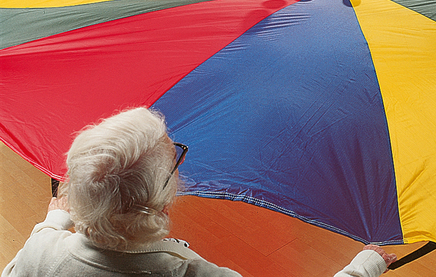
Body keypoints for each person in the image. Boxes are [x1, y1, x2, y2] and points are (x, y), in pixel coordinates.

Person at [1, 107, 397, 277]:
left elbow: (40, 252)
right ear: (159, 198)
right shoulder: (186, 270)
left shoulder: (40, 249)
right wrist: (363, 265)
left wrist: (55, 218)